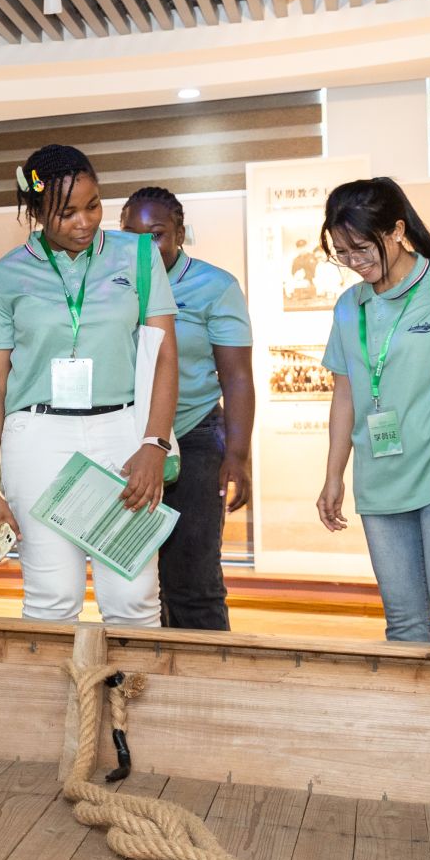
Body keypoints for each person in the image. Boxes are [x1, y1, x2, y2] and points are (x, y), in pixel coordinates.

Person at [0, 145, 177, 625]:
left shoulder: (139, 255)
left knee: (134, 599)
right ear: (36, 211)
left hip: (124, 431)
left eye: (93, 205)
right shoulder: (5, 275)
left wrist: (155, 444)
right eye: (66, 213)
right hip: (37, 437)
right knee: (52, 600)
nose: (84, 222)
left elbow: (165, 356)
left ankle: (131, 679)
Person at [316, 177, 430, 645]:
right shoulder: (349, 306)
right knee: (404, 625)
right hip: (380, 482)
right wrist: (334, 475)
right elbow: (345, 394)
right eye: (343, 252)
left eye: (362, 248)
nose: (354, 262)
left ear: (397, 231)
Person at [120, 187, 253, 630]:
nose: (145, 247)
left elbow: (237, 376)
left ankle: (206, 671)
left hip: (193, 436)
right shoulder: (111, 285)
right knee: (134, 578)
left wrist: (237, 455)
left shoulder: (215, 287)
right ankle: (150, 668)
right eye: (132, 236)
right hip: (128, 439)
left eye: (156, 234)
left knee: (192, 576)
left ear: (180, 233)